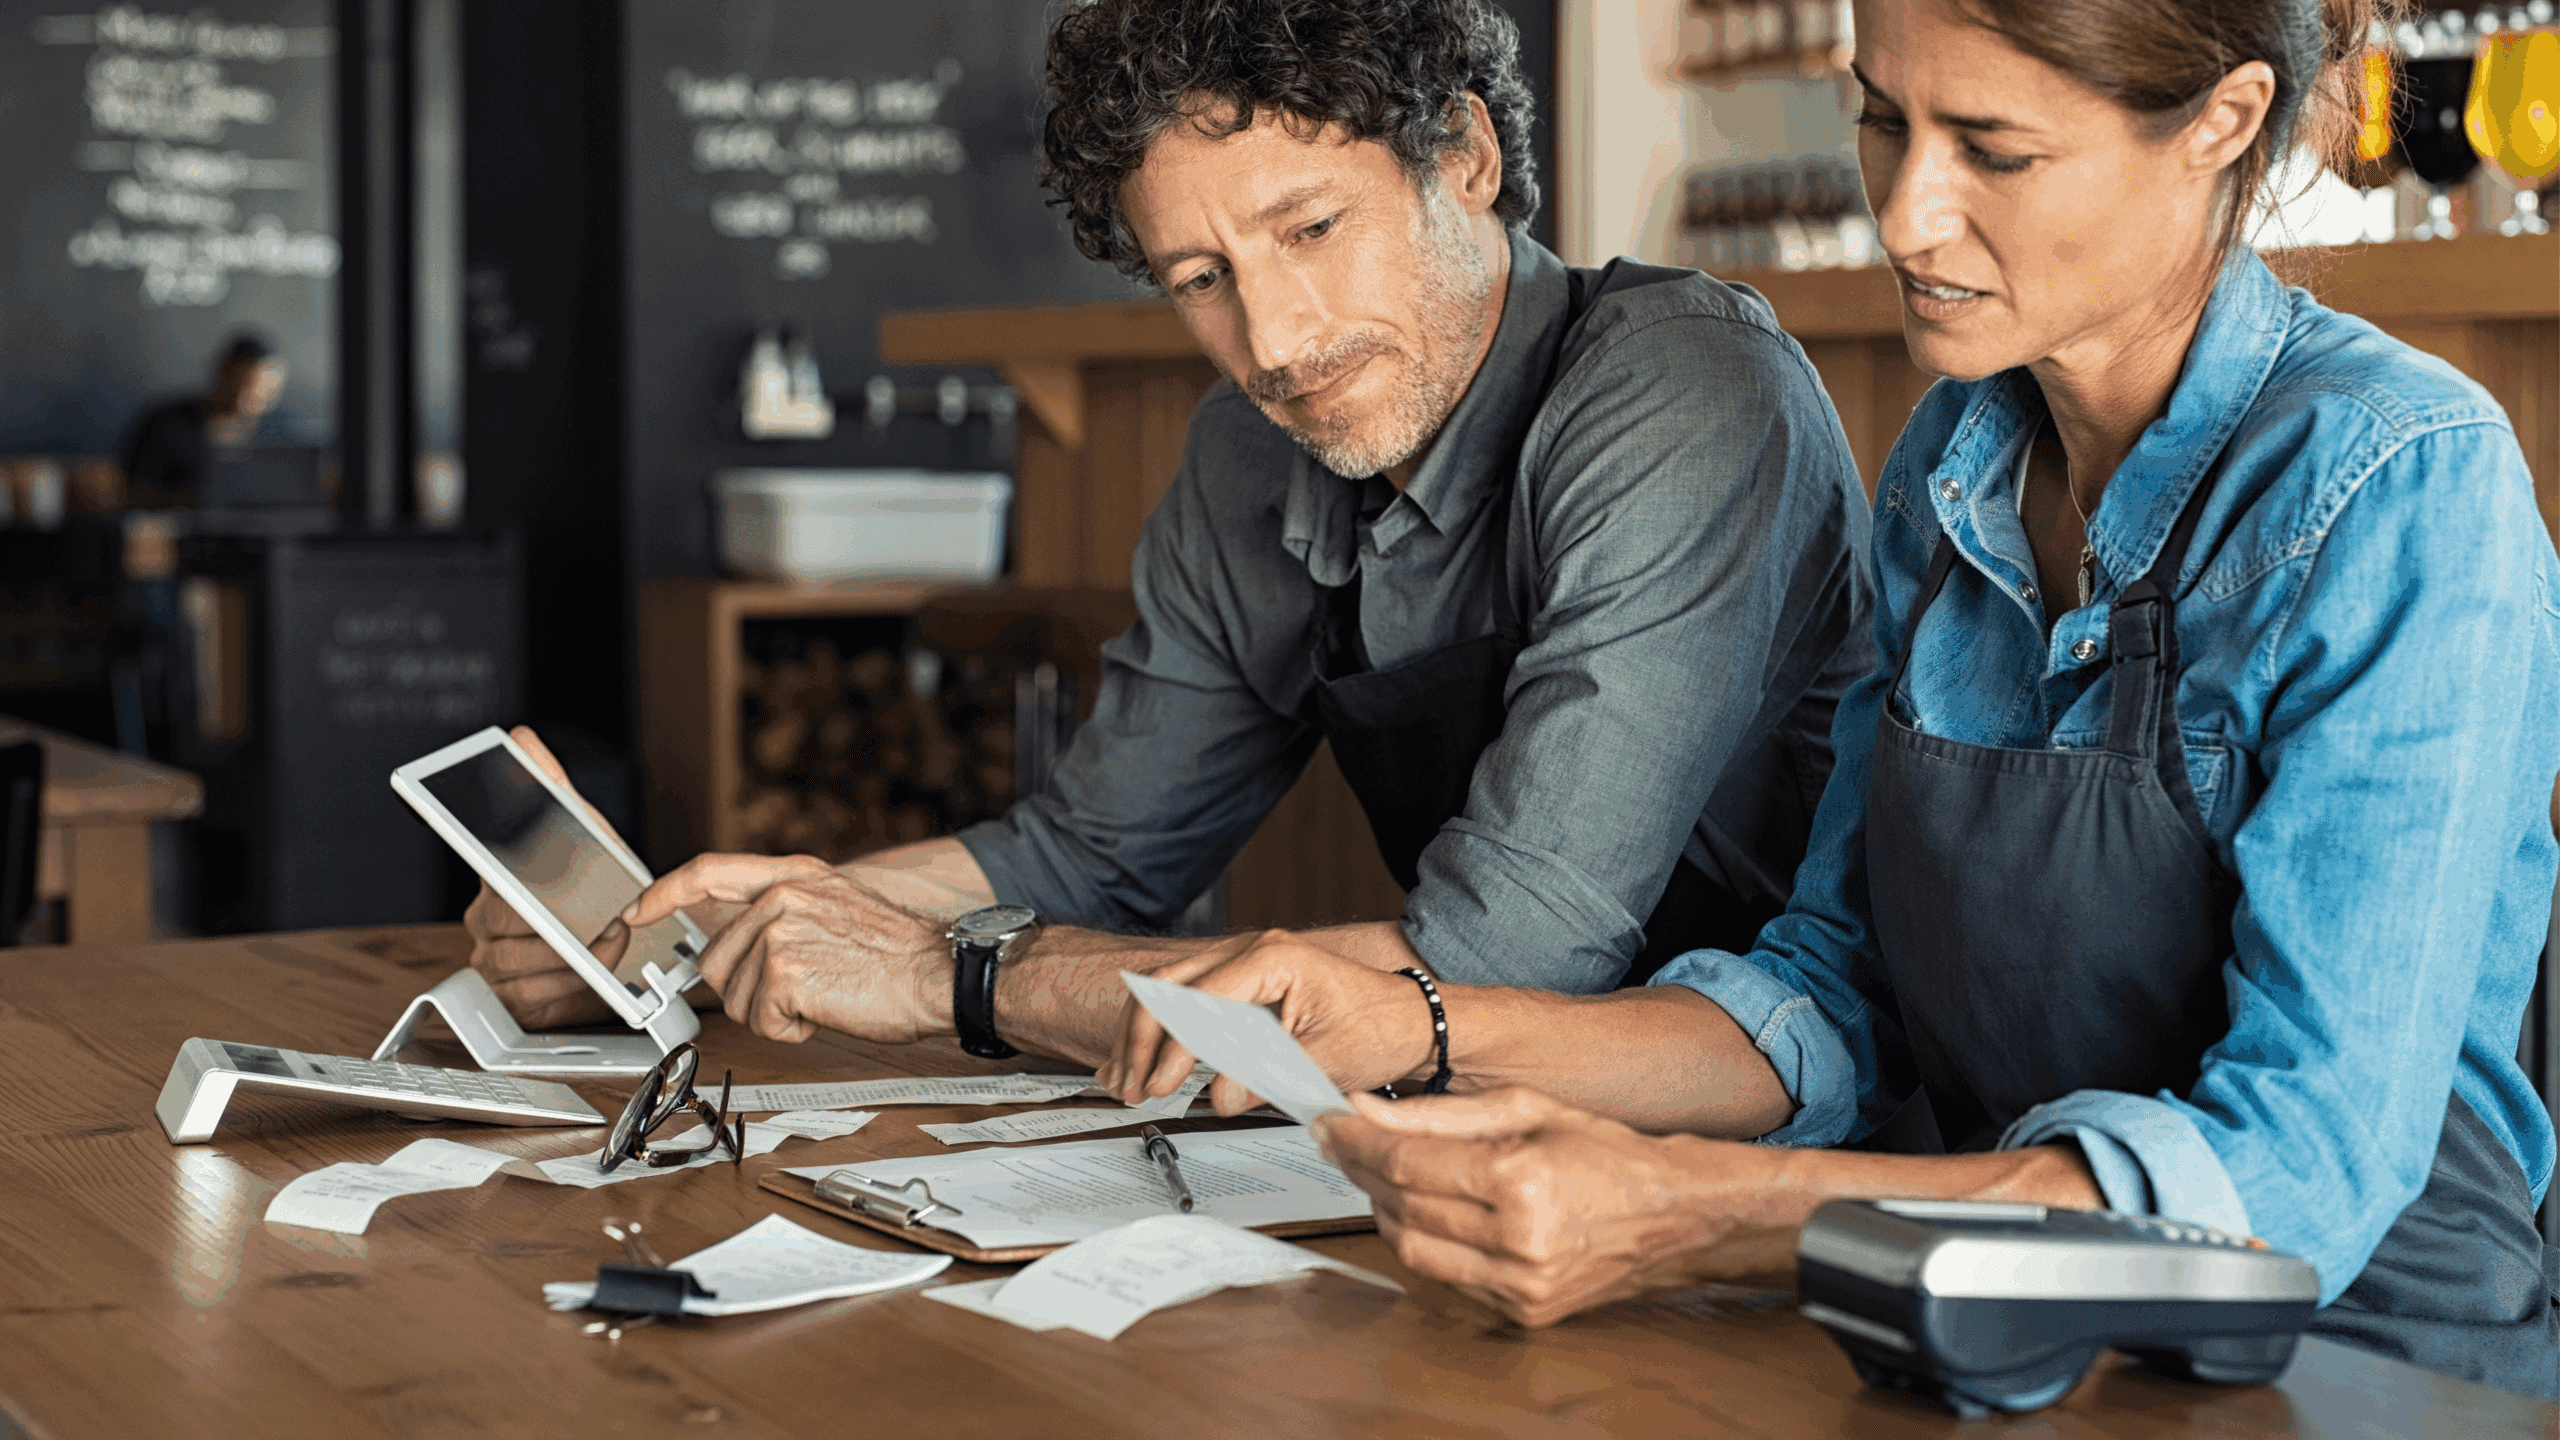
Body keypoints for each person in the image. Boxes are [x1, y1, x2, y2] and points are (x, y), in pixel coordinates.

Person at [1114, 0, 2560, 1399]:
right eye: (1882, 117)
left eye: (1993, 149)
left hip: (2356, 1374)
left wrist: (1700, 1209)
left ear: (2221, 122)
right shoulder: (1955, 464)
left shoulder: (2401, 483)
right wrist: (1412, 1025)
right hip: (1987, 1334)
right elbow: (1827, 993)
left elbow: (2298, 1173)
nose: (1909, 212)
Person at [466, 0, 1876, 1066]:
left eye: (1312, 229)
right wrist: (696, 929)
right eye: (1200, 278)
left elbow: (1507, 962)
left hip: (1790, 1129)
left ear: (1466, 156)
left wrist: (946, 979)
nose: (1273, 342)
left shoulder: (1685, 392)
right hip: (1481, 1135)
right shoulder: (1251, 453)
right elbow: (1088, 854)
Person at [121, 332, 287, 506]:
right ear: (226, 371)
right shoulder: (165, 425)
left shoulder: (281, 435)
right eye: (249, 386)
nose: (260, 399)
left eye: (270, 393)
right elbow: (136, 492)